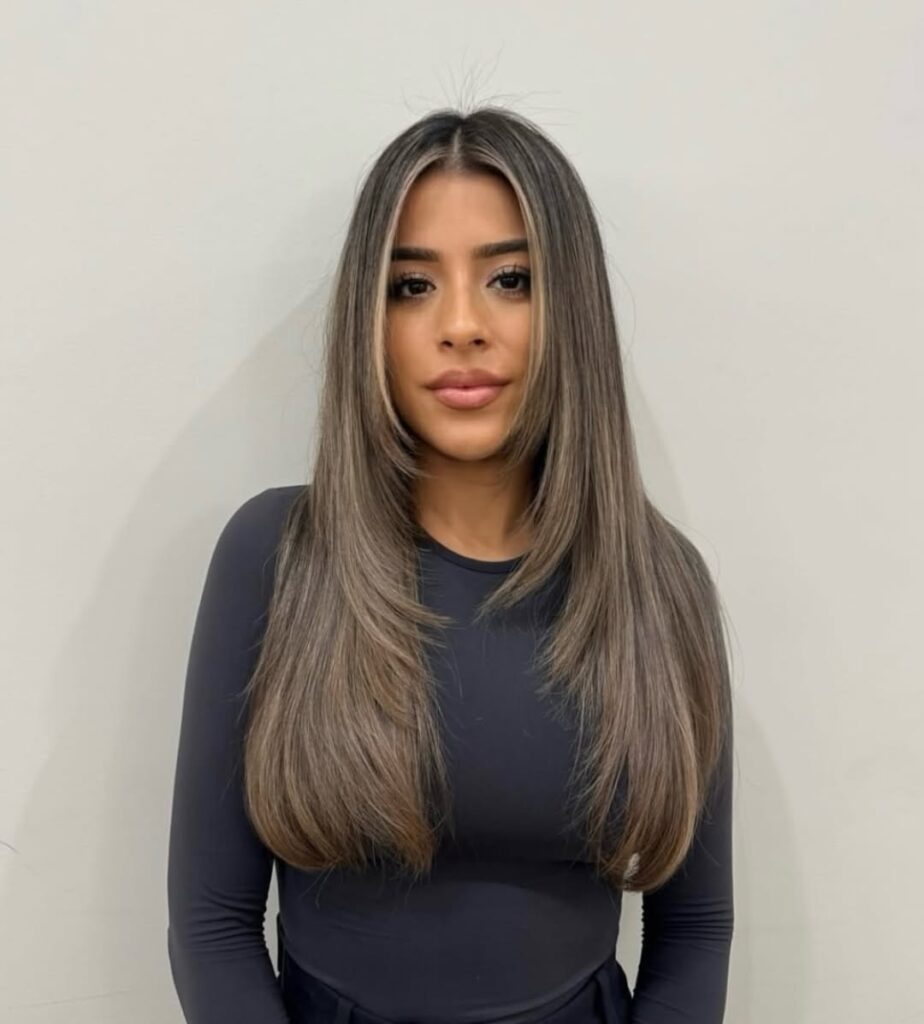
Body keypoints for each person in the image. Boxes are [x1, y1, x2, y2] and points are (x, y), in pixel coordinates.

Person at [166, 105, 735, 1024]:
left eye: (510, 278)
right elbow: (212, 923)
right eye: (411, 287)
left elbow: (697, 929)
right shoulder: (278, 561)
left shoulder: (661, 588)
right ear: (369, 321)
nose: (462, 326)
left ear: (571, 310)